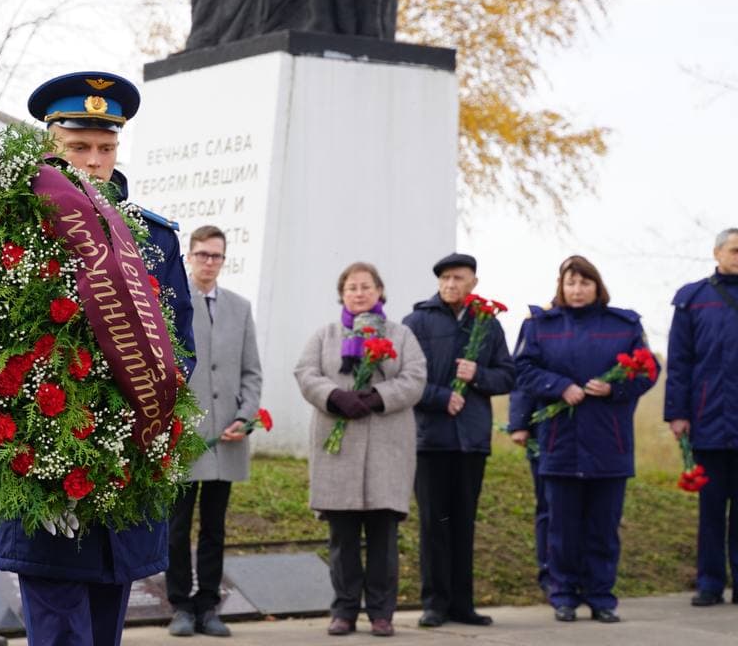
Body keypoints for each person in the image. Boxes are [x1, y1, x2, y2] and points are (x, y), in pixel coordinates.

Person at [0, 71, 195, 646]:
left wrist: (133, 424)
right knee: (58, 632)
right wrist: (49, 451)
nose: (94, 161)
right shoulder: (18, 226)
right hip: (49, 468)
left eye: (106, 148)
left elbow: (182, 349)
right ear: (50, 146)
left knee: (105, 630)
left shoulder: (155, 239)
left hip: (127, 463)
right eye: (78, 147)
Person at [515, 255, 658, 624]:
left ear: (598, 286)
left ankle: (601, 596)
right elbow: (524, 370)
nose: (577, 290)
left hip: (608, 442)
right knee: (562, 527)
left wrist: (613, 387)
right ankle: (562, 594)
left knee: (603, 527)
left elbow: (647, 371)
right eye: (570, 283)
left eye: (585, 283)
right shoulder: (540, 326)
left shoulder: (622, 325)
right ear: (560, 287)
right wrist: (559, 387)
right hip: (559, 442)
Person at [294, 262, 425, 638]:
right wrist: (334, 396)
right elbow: (305, 373)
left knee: (383, 538)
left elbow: (415, 377)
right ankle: (345, 610)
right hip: (340, 448)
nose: (359, 293)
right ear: (342, 294)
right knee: (343, 538)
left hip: (387, 447)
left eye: (366, 286)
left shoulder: (401, 336)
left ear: (380, 291)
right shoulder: (326, 335)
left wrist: (378, 397)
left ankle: (382, 613)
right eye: (351, 287)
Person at [402, 253, 515, 627]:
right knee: (435, 523)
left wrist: (478, 374)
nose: (450, 285)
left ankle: (463, 605)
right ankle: (435, 603)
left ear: (473, 283)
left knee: (463, 522)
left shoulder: (489, 325)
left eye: (458, 278)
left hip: (471, 441)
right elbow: (406, 378)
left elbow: (508, 376)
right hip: (430, 438)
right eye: (445, 278)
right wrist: (439, 398)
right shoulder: (417, 321)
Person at [166, 225, 262, 638]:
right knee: (176, 527)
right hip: (186, 437)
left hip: (227, 437)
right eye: (202, 254)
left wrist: (246, 414)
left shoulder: (239, 307)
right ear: (189, 256)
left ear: (224, 260)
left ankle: (208, 604)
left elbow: (251, 370)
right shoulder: (172, 301)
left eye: (216, 256)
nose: (209, 262)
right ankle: (180, 605)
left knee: (215, 527)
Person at [665, 227, 738, 607]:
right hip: (707, 421)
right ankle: (709, 583)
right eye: (735, 250)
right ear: (717, 253)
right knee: (711, 510)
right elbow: (679, 362)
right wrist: (676, 413)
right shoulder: (694, 298)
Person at [506, 389, 550, 597]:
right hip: (545, 433)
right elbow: (522, 374)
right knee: (548, 507)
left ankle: (584, 577)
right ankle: (550, 575)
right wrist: (519, 423)